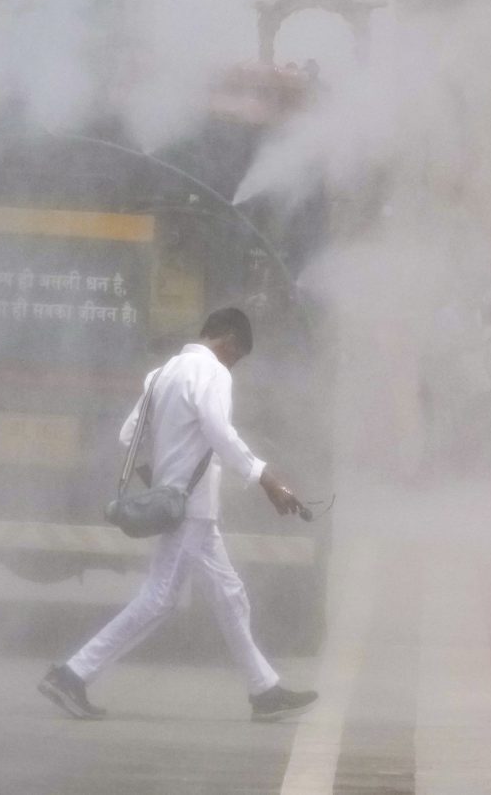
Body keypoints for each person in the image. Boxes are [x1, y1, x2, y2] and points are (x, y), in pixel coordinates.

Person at [40, 308, 318, 724]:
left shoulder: (162, 374)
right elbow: (220, 432)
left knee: (230, 595)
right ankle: (71, 675)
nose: (233, 365)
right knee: (159, 599)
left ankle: (265, 691)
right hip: (191, 510)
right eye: (236, 357)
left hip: (187, 509)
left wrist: (159, 482)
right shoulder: (212, 373)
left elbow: (128, 436)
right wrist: (266, 478)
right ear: (229, 341)